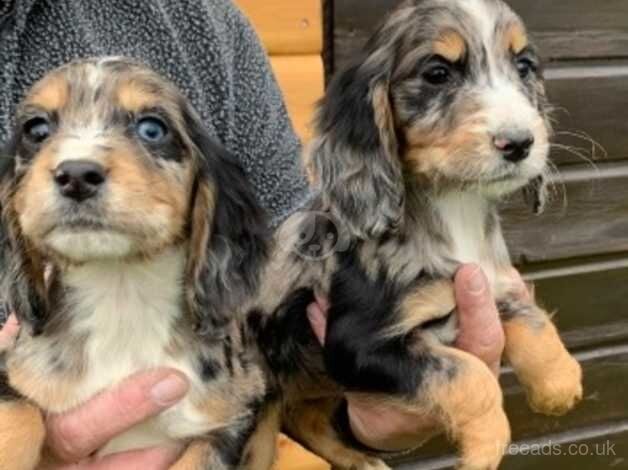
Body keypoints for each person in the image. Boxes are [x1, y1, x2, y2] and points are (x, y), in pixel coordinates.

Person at [0, 0, 522, 468]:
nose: (75, 165)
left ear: (206, 198)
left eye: (151, 130)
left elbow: (280, 289)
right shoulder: (23, 373)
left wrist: (366, 412)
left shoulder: (204, 24)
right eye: (39, 132)